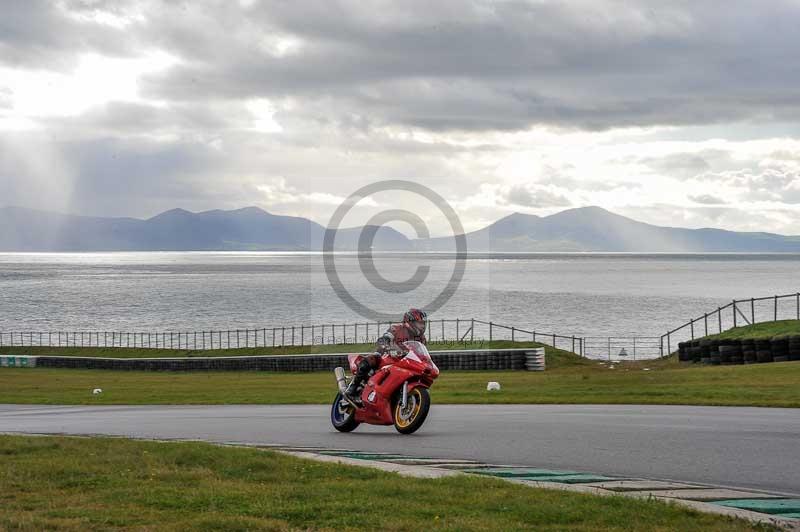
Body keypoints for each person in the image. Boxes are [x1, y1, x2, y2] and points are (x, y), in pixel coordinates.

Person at [344, 308, 428, 405]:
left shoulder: (422, 339)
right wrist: (386, 344)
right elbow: (386, 337)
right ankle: (352, 389)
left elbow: (421, 353)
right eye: (419, 323)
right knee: (371, 359)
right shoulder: (396, 328)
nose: (422, 326)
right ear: (409, 321)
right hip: (386, 355)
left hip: (404, 362)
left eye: (423, 323)